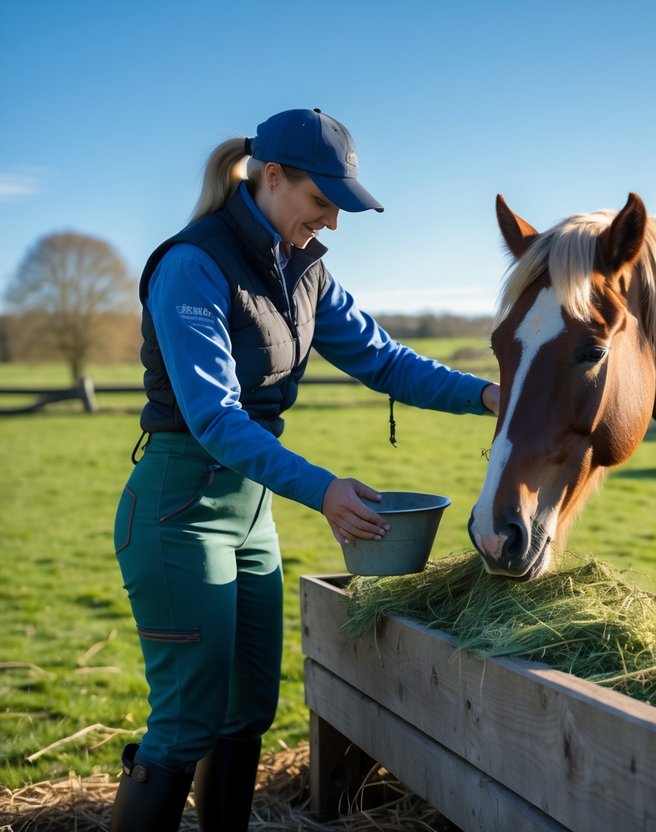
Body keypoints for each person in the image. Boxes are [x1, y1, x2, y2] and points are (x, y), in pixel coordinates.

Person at [110, 108, 499, 831]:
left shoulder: (307, 272)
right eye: (321, 201)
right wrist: (323, 489)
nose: (332, 223)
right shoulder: (193, 264)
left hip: (250, 512)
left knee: (249, 710)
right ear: (272, 177)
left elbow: (386, 361)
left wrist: (490, 397)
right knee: (187, 721)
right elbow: (214, 418)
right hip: (178, 512)